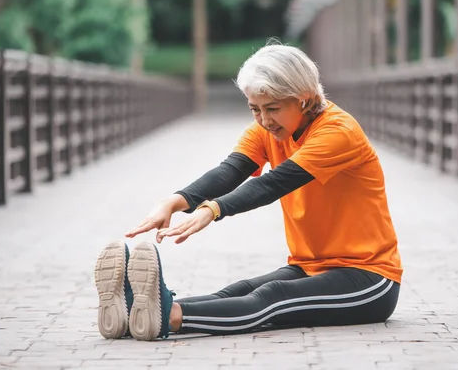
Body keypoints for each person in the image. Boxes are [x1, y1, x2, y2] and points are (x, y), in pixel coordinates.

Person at [94, 42, 402, 341]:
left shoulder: (338, 132)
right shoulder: (270, 129)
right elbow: (231, 170)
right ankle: (134, 313)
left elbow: (272, 184)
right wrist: (173, 202)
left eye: (273, 109)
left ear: (304, 100)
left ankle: (168, 317)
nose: (265, 120)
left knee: (272, 298)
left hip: (369, 280)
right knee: (237, 291)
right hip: (309, 267)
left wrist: (212, 210)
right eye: (255, 109)